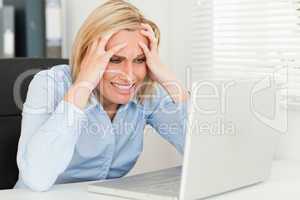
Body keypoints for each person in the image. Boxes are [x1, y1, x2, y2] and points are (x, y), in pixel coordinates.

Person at [14, 0, 190, 192]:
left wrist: (169, 79)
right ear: (87, 54)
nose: (129, 75)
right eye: (115, 59)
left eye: (139, 60)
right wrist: (84, 85)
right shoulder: (49, 84)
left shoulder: (145, 92)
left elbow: (204, 155)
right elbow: (37, 178)